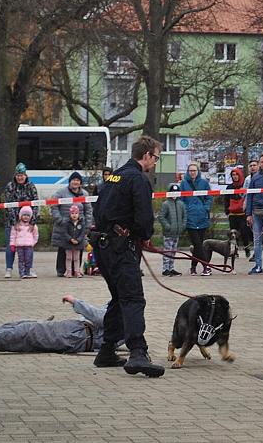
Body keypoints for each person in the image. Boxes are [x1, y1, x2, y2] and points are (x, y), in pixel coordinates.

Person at [91, 135, 165, 378]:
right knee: (133, 299)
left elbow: (99, 209)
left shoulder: (113, 176)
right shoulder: (138, 180)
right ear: (146, 155)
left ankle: (106, 351)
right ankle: (137, 353)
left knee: (119, 298)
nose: (155, 162)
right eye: (155, 157)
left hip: (103, 247)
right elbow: (144, 219)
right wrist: (143, 235)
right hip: (120, 248)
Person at [0, 294, 119, 354]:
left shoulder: (127, 307)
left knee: (27, 332)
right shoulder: (126, 304)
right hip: (77, 332)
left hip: (79, 336)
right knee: (19, 326)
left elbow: (102, 318)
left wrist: (76, 302)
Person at [50, 172, 92, 277]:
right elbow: (53, 205)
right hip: (65, 226)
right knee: (63, 248)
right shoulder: (60, 192)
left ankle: (76, 270)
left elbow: (88, 210)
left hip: (79, 227)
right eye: (73, 180)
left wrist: (87, 225)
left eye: (78, 180)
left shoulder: (85, 194)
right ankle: (61, 270)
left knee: (79, 248)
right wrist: (59, 219)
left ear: (80, 183)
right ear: (70, 181)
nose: (75, 182)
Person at [3, 162, 39, 279]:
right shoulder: (10, 186)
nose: (20, 177)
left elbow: (36, 204)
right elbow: (9, 205)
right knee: (11, 245)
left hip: (28, 222)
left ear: (25, 175)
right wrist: (15, 222)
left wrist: (32, 222)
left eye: (22, 175)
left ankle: (29, 268)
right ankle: (9, 268)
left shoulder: (31, 186)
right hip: (12, 222)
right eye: (18, 175)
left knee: (28, 246)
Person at [180, 162, 212, 276]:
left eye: (194, 170)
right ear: (188, 172)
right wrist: (186, 210)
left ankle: (193, 267)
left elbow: (209, 197)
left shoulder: (204, 183)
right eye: (190, 170)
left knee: (198, 244)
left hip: (202, 217)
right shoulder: (183, 184)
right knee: (197, 244)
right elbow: (181, 199)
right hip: (190, 218)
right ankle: (206, 266)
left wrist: (205, 208)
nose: (192, 172)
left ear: (198, 171)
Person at [158, 183, 186, 277]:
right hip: (168, 232)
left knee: (173, 251)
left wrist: (182, 226)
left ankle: (171, 267)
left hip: (177, 232)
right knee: (167, 251)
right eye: (172, 192)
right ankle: (165, 268)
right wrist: (167, 226)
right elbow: (161, 216)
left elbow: (184, 216)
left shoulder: (181, 204)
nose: (174, 194)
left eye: (176, 192)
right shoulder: (165, 204)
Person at [225, 166, 250, 258]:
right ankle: (234, 251)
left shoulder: (244, 186)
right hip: (232, 214)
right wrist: (227, 212)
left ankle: (247, 249)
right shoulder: (229, 187)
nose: (235, 176)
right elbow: (226, 200)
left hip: (242, 214)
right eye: (233, 175)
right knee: (233, 234)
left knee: (244, 232)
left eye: (236, 175)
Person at [9, 206, 38, 279]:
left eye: (28, 215)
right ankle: (22, 273)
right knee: (21, 260)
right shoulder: (16, 226)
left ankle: (27, 272)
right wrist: (12, 244)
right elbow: (13, 236)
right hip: (19, 246)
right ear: (20, 216)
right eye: (24, 215)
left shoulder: (33, 226)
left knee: (28, 260)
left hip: (29, 246)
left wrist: (33, 243)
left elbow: (36, 235)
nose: (26, 217)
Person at [242, 160, 259, 262]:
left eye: (254, 165)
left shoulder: (261, 177)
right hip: (250, 207)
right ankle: (256, 252)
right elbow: (244, 193)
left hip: (260, 207)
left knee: (259, 232)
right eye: (251, 165)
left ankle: (258, 252)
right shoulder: (248, 179)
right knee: (253, 231)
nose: (252, 167)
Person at [63, 204, 86, 278]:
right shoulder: (67, 223)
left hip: (78, 244)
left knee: (76, 258)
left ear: (78, 214)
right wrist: (70, 239)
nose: (74, 215)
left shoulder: (81, 223)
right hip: (68, 243)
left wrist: (78, 240)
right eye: (72, 213)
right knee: (68, 258)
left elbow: (82, 233)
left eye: (76, 213)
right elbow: (65, 233)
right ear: (70, 214)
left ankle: (77, 271)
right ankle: (68, 271)